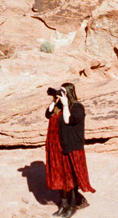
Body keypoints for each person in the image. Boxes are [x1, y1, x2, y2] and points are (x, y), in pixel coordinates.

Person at [45, 82, 95, 217]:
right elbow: (48, 114)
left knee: (71, 177)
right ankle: (64, 205)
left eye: (63, 92)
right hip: (56, 147)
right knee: (60, 177)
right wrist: (54, 100)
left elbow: (68, 120)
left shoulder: (77, 107)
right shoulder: (58, 106)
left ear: (69, 93)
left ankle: (73, 206)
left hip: (70, 146)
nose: (61, 94)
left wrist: (66, 104)